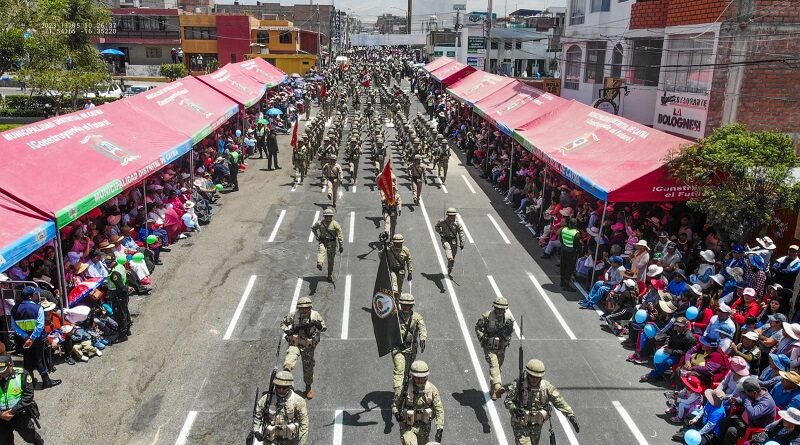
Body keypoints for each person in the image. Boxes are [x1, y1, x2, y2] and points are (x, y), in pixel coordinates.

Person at [504, 359, 579, 445]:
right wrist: (514, 409)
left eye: (537, 377)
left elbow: (559, 401)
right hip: (520, 425)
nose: (535, 379)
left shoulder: (546, 387)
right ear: (528, 374)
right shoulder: (518, 385)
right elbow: (507, 400)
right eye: (532, 376)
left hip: (536, 426)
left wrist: (570, 415)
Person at [10, 287, 61, 389]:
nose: (36, 295)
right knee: (40, 360)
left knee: (27, 360)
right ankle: (46, 382)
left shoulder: (14, 309)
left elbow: (14, 326)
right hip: (38, 339)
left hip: (24, 340)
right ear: (30, 297)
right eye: (35, 294)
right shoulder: (38, 308)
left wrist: (26, 337)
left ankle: (30, 383)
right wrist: (32, 338)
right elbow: (40, 326)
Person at [281, 296, 326, 400]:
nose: (304, 310)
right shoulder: (293, 316)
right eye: (302, 308)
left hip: (308, 346)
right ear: (299, 309)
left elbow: (323, 328)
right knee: (289, 360)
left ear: (310, 308)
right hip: (295, 343)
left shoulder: (315, 315)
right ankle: (286, 379)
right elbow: (283, 323)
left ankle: (308, 387)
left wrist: (318, 325)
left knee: (308, 369)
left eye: (306, 308)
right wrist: (288, 331)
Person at [392, 360, 444, 445]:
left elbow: (439, 410)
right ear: (412, 376)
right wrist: (397, 414)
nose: (420, 380)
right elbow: (395, 406)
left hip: (424, 428)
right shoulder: (404, 389)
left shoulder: (432, 389)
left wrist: (439, 429)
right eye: (417, 377)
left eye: (423, 377)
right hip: (408, 427)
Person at [251, 371, 309, 445]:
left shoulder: (298, 402)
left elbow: (304, 424)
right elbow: (257, 418)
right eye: (278, 387)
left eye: (284, 388)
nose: (281, 390)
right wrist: (256, 431)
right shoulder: (266, 400)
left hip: (291, 441)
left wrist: (302, 443)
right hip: (270, 440)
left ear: (289, 387)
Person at [475, 297, 515, 400]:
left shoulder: (509, 319)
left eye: (502, 309)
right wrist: (483, 339)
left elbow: (510, 333)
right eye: (498, 308)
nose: (500, 311)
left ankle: (493, 390)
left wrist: (509, 329)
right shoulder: (487, 316)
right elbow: (478, 328)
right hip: (490, 347)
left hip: (501, 347)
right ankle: (497, 386)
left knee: (498, 368)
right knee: (494, 364)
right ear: (494, 307)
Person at [719, 376, 776, 445]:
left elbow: (752, 414)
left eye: (746, 393)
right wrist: (737, 400)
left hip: (754, 428)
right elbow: (748, 400)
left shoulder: (766, 402)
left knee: (731, 431)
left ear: (754, 392)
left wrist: (745, 399)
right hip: (745, 420)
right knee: (724, 422)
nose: (745, 394)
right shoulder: (755, 393)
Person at [0, 355, 43, 445]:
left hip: (20, 414)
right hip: (2, 417)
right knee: (4, 441)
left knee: (30, 436)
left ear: (11, 365)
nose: (1, 375)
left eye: (3, 372)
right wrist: (1, 414)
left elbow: (28, 396)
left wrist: (12, 411)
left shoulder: (22, 374)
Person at [392, 294, 427, 400]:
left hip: (411, 349)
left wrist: (423, 338)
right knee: (399, 369)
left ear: (412, 306)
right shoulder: (395, 316)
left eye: (409, 305)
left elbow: (422, 327)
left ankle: (406, 391)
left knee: (408, 373)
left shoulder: (416, 317)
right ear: (400, 305)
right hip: (398, 349)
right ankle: (397, 393)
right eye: (404, 305)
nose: (406, 307)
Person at [311, 208, 343, 282]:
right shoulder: (320, 223)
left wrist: (341, 245)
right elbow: (313, 228)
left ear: (332, 216)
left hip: (332, 243)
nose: (328, 217)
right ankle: (320, 263)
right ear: (324, 216)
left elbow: (340, 235)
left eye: (329, 216)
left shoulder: (335, 224)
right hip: (323, 241)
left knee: (330, 260)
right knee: (321, 251)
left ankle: (329, 274)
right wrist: (316, 236)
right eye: (327, 216)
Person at [104, 255, 131, 342]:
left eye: (109, 263)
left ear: (114, 261)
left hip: (118, 295)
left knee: (119, 315)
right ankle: (127, 329)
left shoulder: (115, 273)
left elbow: (120, 287)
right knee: (125, 311)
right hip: (122, 294)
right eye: (106, 263)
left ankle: (122, 335)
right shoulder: (120, 266)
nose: (107, 264)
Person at [435, 208, 466, 277]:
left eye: (453, 215)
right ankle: (449, 258)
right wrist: (440, 232)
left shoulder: (457, 224)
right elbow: (436, 227)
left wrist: (462, 243)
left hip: (453, 240)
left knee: (453, 256)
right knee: (447, 248)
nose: (452, 217)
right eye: (450, 215)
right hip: (445, 239)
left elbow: (461, 233)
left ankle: (450, 269)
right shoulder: (442, 222)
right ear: (447, 215)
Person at [558, 218, 581, 292]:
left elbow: (560, 240)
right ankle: (566, 285)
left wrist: (564, 246)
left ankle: (562, 282)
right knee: (569, 268)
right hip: (572, 253)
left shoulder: (563, 229)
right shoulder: (576, 233)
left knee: (563, 266)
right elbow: (577, 245)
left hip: (564, 250)